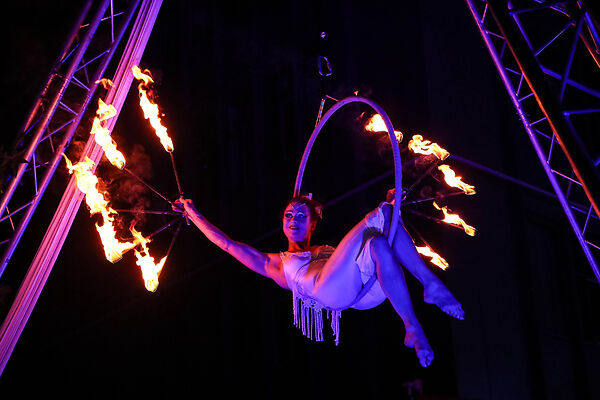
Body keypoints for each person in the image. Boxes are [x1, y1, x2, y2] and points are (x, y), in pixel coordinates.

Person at [174, 189, 463, 367]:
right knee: (383, 215)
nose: (293, 221)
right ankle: (430, 289)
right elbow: (228, 244)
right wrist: (194, 214)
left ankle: (416, 316)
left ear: (312, 224)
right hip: (328, 292)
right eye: (289, 215)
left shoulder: (327, 250)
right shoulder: (275, 263)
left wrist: (392, 207)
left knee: (381, 238)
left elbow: (369, 244)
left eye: (301, 216)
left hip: (365, 292)